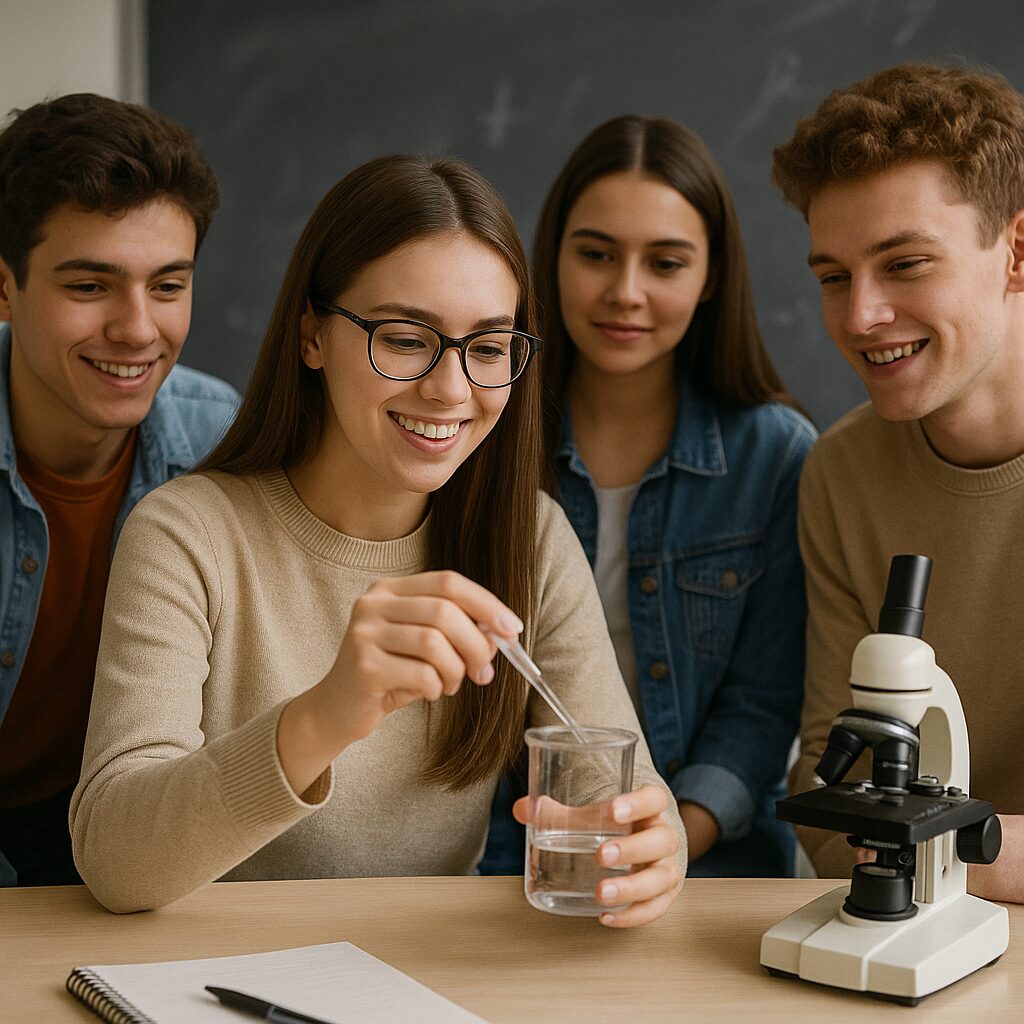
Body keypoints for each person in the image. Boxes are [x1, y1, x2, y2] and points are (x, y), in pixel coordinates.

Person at [70, 154, 686, 924]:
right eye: (404, 338)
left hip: (430, 971)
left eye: (487, 349)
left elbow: (622, 788)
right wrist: (325, 715)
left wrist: (649, 847)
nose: (450, 390)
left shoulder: (528, 538)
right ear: (312, 335)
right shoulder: (187, 536)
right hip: (212, 969)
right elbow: (115, 859)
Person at [484, 116, 815, 878]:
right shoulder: (482, 433)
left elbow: (763, 706)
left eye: (665, 263)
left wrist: (661, 843)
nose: (625, 292)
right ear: (552, 257)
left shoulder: (774, 456)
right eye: (595, 254)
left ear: (711, 277)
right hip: (509, 854)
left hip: (708, 863)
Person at [774, 62, 1024, 902]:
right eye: (833, 277)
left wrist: (941, 856)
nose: (860, 317)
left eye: (906, 264)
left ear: (1017, 251)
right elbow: (829, 785)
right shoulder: (841, 474)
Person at [0, 93, 239, 887]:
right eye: (89, 286)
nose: (138, 329)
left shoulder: (226, 446)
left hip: (128, 857)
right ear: (4, 288)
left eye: (167, 286)